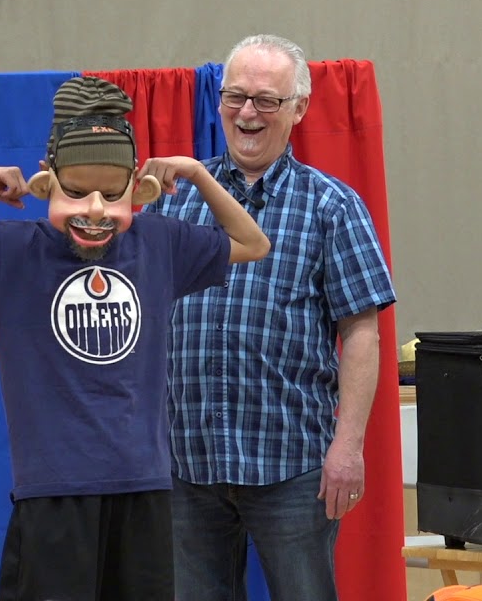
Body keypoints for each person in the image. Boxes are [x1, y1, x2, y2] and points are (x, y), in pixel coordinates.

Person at [0, 75, 270, 601]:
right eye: (77, 189)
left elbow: (253, 242)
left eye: (112, 193)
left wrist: (199, 173)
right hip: (54, 491)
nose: (93, 208)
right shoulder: (11, 253)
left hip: (144, 488)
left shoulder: (160, 243)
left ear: (138, 187)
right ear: (47, 180)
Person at [144, 34, 396, 601]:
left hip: (292, 465)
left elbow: (360, 333)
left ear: (299, 109)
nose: (247, 112)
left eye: (266, 100)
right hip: (188, 461)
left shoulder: (332, 205)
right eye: (235, 96)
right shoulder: (176, 200)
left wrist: (348, 447)